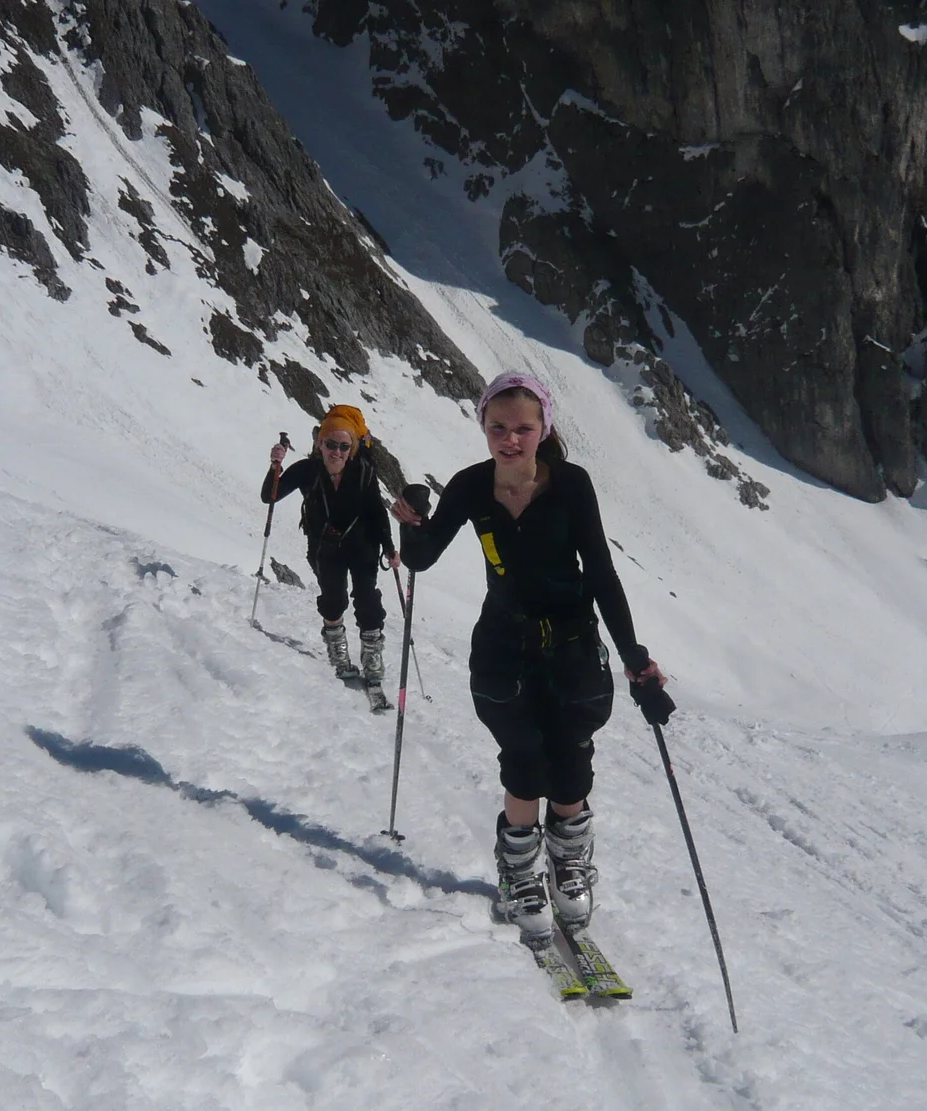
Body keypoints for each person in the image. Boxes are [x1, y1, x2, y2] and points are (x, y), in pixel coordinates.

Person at [392, 371, 665, 944]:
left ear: (544, 428)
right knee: (522, 760)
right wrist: (413, 527)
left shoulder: (570, 485)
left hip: (572, 646)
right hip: (503, 645)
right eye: (498, 427)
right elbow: (421, 559)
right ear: (483, 427)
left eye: (522, 428)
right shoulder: (470, 486)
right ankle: (520, 875)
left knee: (570, 762)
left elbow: (601, 572)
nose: (509, 439)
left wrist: (634, 656)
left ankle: (567, 865)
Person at [262, 405, 397, 683]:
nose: (337, 452)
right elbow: (270, 496)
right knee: (333, 599)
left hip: (363, 544)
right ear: (320, 444)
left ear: (352, 448)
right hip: (325, 546)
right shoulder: (306, 470)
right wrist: (275, 466)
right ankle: (339, 655)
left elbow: (376, 510)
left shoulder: (363, 471)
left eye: (344, 446)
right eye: (331, 444)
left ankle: (372, 656)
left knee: (367, 599)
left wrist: (389, 547)